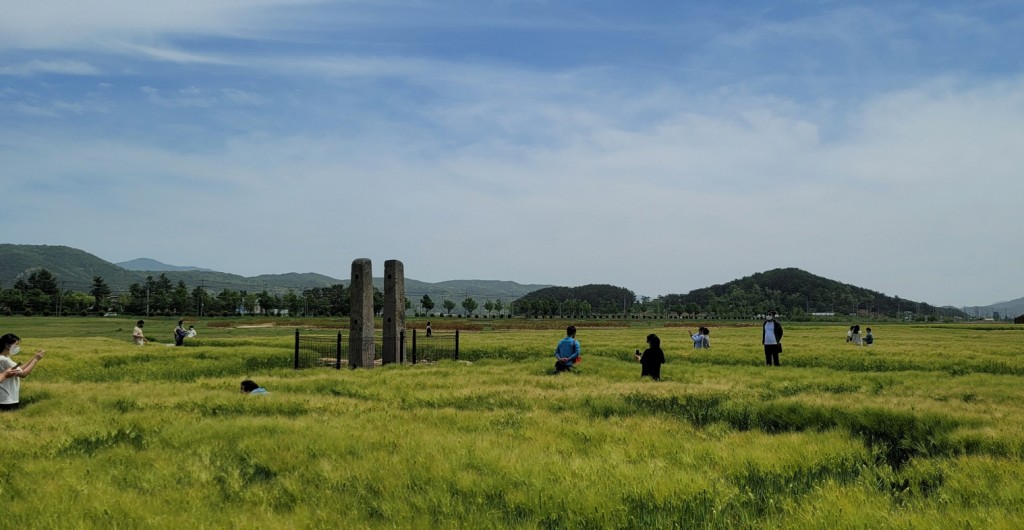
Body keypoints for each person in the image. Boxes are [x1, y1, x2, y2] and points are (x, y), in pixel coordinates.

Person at [0, 333, 45, 411]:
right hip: (7, 398)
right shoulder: (4, 360)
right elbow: (23, 373)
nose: (17, 347)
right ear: (7, 345)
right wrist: (36, 360)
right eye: (15, 345)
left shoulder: (4, 358)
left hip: (5, 397)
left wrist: (33, 358)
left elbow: (19, 369)